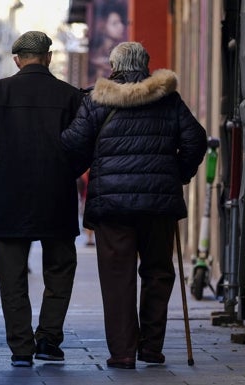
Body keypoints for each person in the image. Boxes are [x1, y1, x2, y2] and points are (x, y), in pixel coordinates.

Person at [61, 42, 207, 369]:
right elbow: (196, 139)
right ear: (147, 64)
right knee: (157, 272)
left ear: (114, 66)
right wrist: (178, 174)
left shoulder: (96, 100)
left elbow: (72, 144)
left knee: (117, 278)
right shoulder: (168, 98)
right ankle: (152, 348)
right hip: (158, 203)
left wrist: (87, 167)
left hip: (113, 206)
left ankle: (124, 352)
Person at [0, 31, 85, 368]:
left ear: (17, 59)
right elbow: (81, 146)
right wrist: (67, 174)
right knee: (60, 268)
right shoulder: (69, 96)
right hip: (56, 195)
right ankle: (49, 338)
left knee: (12, 275)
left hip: (8, 196)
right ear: (48, 57)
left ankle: (21, 347)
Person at [87, 1, 127, 86]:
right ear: (103, 26)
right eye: (114, 23)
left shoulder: (121, 53)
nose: (121, 26)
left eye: (121, 22)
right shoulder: (94, 55)